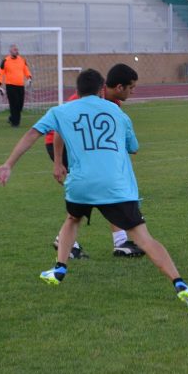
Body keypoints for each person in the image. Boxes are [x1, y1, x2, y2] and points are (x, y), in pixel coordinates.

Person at [0, 68, 188, 308]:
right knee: (144, 239)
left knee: (73, 218)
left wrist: (9, 164)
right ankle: (179, 283)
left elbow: (33, 134)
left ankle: (59, 269)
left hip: (81, 184)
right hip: (115, 185)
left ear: (78, 89)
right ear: (101, 87)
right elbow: (133, 147)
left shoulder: (60, 111)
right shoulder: (117, 112)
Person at [46, 64, 145, 259]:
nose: (133, 92)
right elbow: (58, 131)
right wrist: (58, 163)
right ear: (118, 87)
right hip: (64, 145)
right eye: (131, 87)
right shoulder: (83, 99)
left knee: (107, 189)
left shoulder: (113, 104)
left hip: (87, 149)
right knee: (97, 190)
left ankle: (120, 241)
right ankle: (66, 240)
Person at [0, 44, 32, 127]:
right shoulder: (5, 61)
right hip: (10, 86)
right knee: (14, 104)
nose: (16, 51)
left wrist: (29, 78)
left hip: (20, 85)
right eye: (14, 50)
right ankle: (15, 123)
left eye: (17, 49)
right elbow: (0, 73)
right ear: (10, 51)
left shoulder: (22, 60)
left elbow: (26, 70)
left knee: (20, 105)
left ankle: (12, 118)